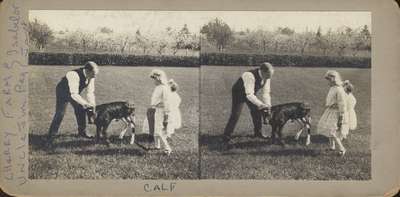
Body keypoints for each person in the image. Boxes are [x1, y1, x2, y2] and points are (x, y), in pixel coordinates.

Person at [46, 61, 99, 148]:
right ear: (87, 70)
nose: (95, 76)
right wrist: (85, 103)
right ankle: (51, 137)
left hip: (74, 93)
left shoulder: (91, 76)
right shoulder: (73, 74)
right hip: (63, 92)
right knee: (60, 113)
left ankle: (82, 132)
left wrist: (92, 104)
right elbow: (73, 94)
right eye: (93, 74)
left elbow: (90, 92)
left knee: (81, 110)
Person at [223, 62, 274, 141]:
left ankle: (258, 133)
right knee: (236, 114)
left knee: (257, 111)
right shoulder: (249, 75)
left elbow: (266, 93)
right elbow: (249, 95)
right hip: (239, 93)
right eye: (268, 75)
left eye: (270, 76)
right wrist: (261, 104)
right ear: (262, 71)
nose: (269, 78)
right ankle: (226, 135)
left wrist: (268, 105)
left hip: (251, 94)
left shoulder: (267, 77)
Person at [317, 70, 348, 156]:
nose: (328, 81)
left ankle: (342, 149)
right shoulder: (333, 88)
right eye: (327, 79)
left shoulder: (339, 89)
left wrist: (341, 116)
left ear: (333, 79)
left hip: (336, 112)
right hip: (330, 111)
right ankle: (332, 146)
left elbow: (342, 103)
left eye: (329, 79)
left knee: (332, 131)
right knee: (328, 128)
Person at [142, 69, 172, 155]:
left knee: (159, 129)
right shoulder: (157, 88)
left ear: (159, 79)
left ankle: (167, 148)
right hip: (154, 110)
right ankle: (157, 145)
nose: (153, 81)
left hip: (160, 111)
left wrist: (166, 114)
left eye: (154, 79)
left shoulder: (164, 88)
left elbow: (167, 102)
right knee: (153, 128)